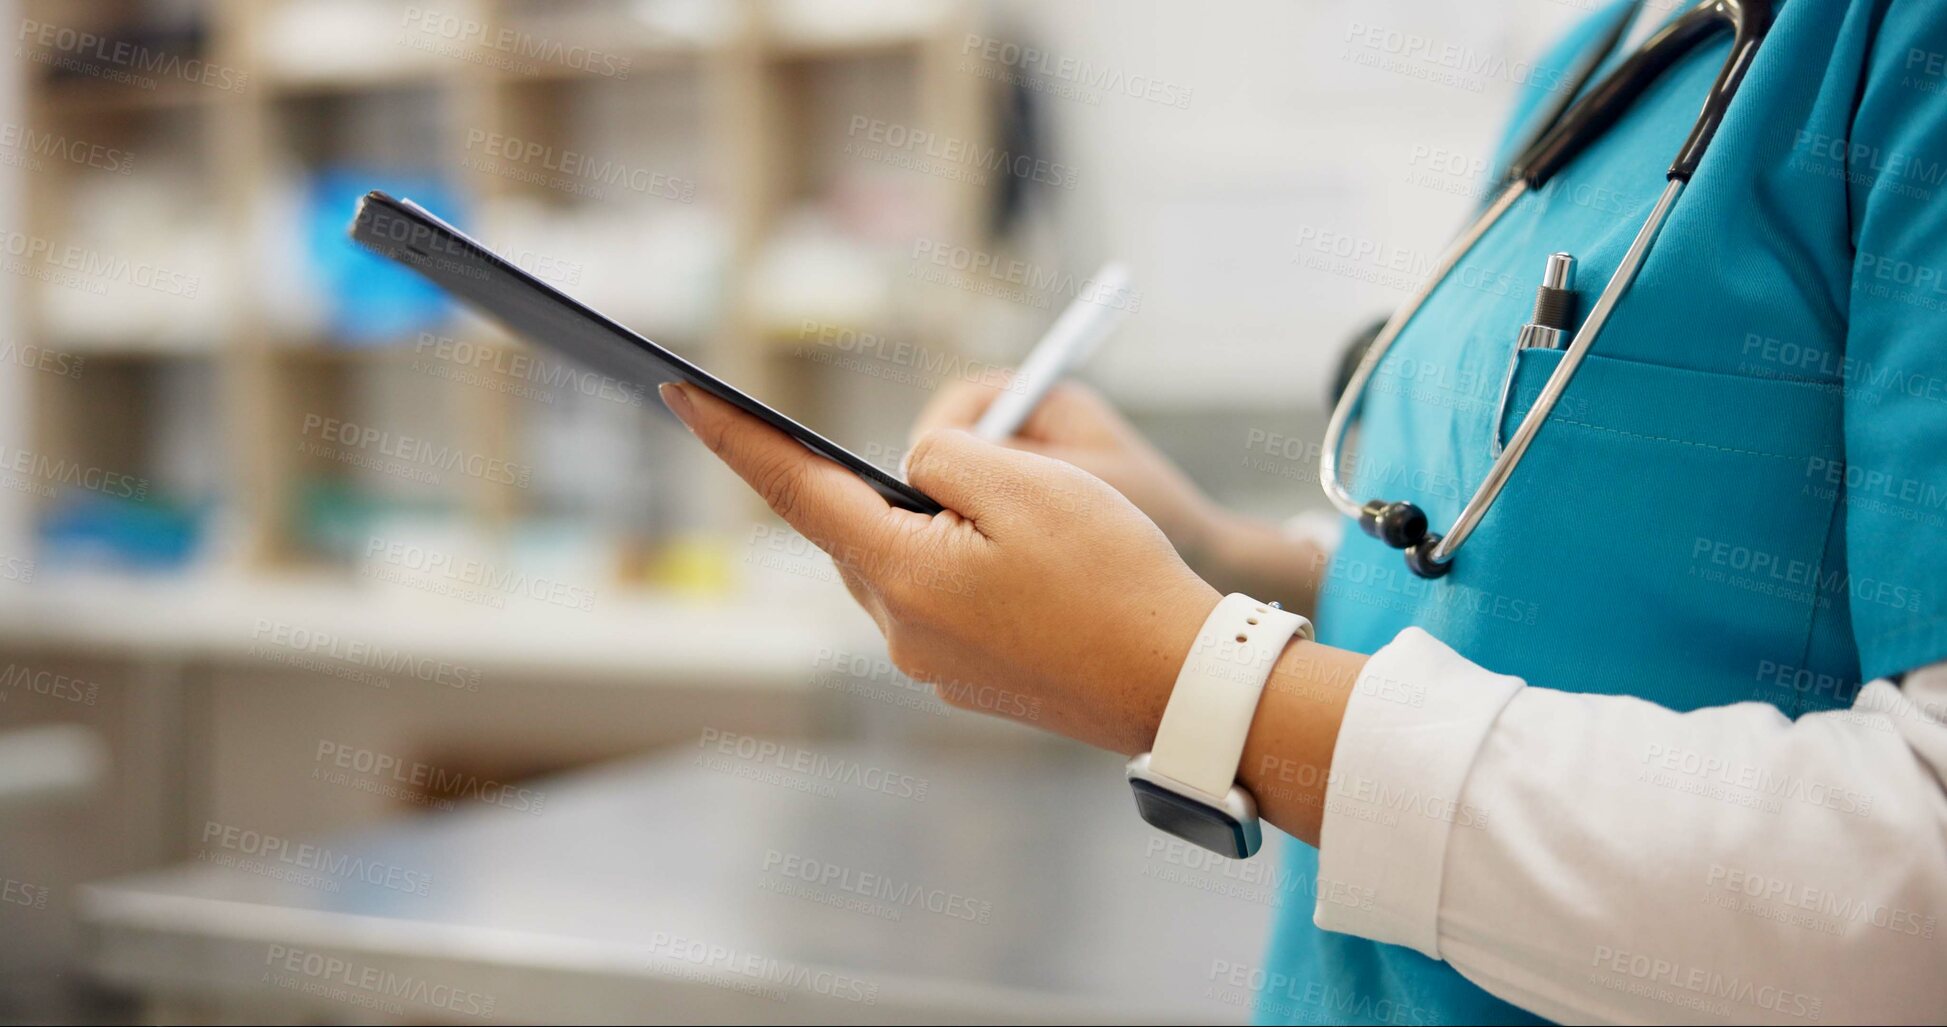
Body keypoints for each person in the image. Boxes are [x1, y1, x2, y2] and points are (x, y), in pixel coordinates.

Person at [657, 0, 1947, 1021]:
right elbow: (1519, 575)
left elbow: (1921, 896)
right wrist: (1223, 561)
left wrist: (1197, 687)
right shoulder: (1607, 52)